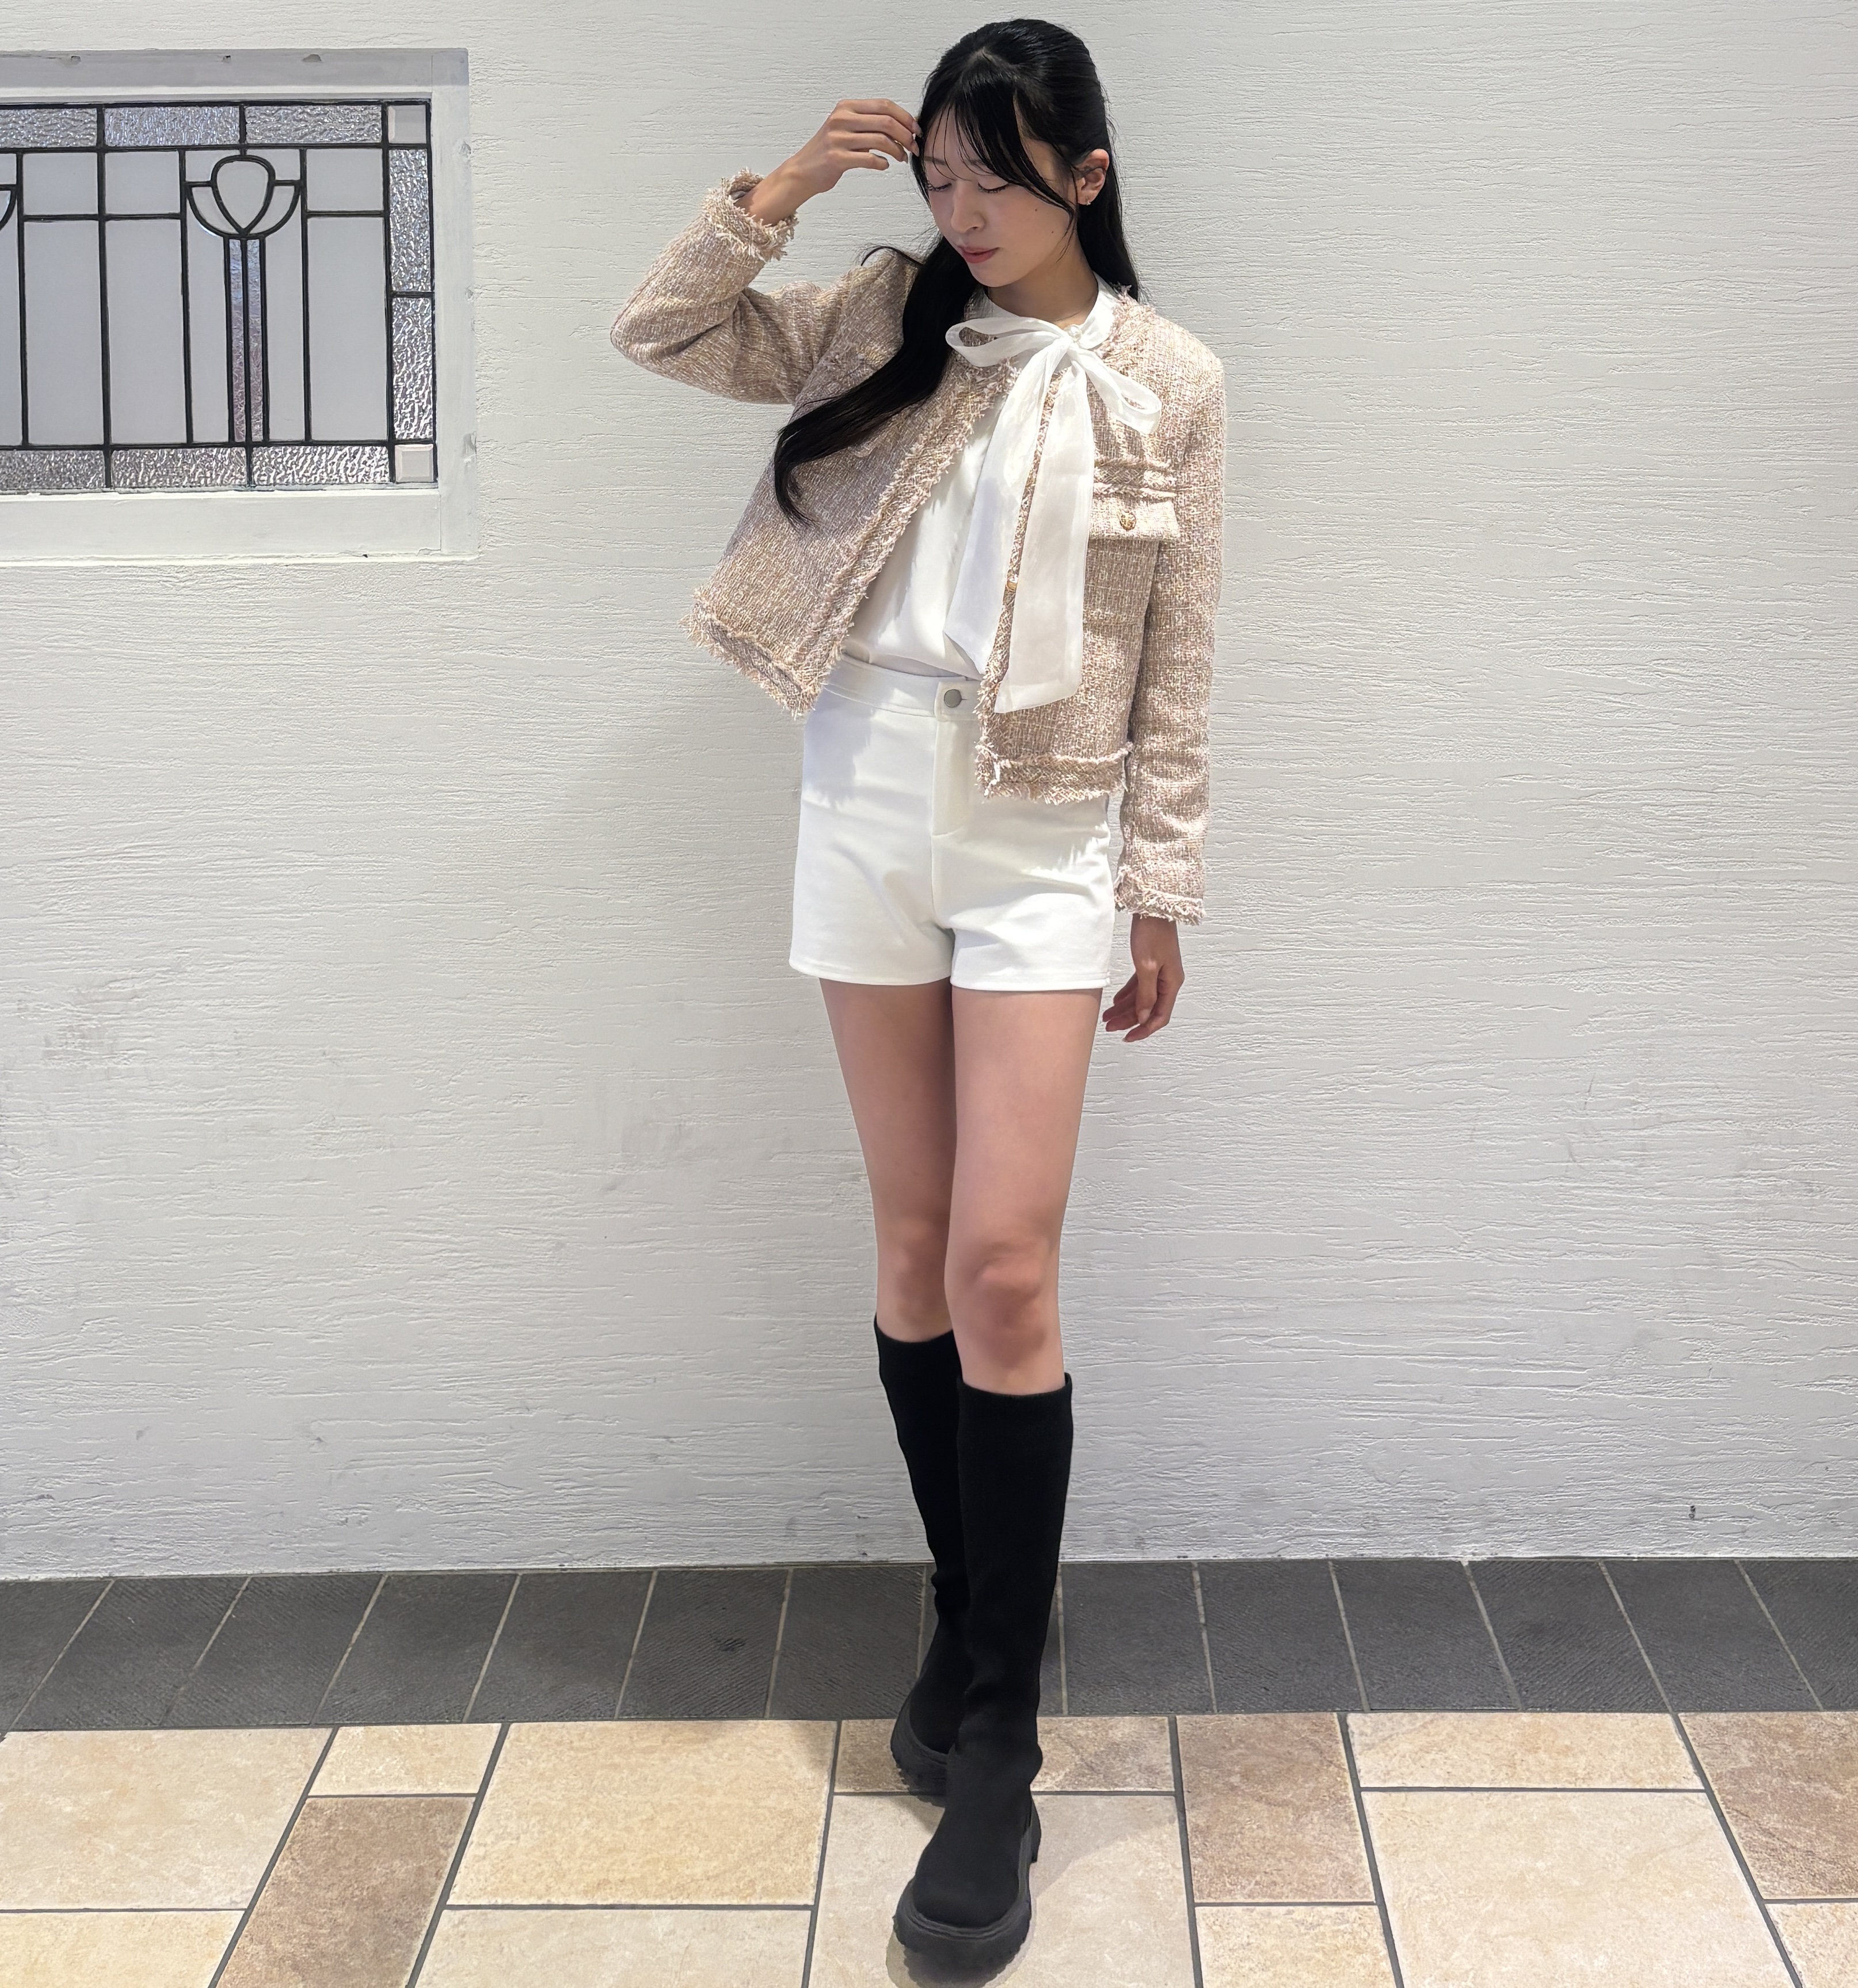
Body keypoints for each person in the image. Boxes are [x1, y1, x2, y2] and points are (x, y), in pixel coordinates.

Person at [609, 17, 1225, 1969]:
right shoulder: (884, 314)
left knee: (1004, 1269)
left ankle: (1001, 1749)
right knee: (908, 1248)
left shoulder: (1169, 380)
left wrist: (1161, 889)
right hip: (868, 793)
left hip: (1047, 832)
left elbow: (1183, 657)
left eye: (998, 181)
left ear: (1087, 180)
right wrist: (785, 190)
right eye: (940, 178)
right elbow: (662, 333)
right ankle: (968, 1625)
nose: (963, 213)